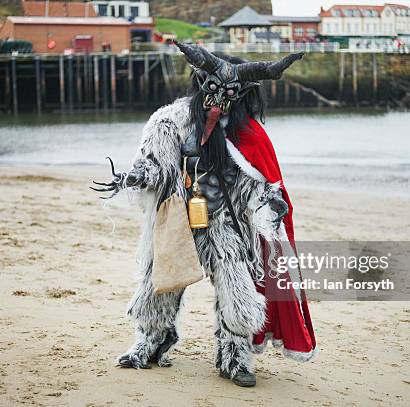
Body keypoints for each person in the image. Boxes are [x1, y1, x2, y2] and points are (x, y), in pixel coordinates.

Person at [92, 42, 318, 387]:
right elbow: (156, 165)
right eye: (213, 89)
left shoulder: (244, 133)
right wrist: (133, 177)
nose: (219, 100)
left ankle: (234, 356)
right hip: (178, 219)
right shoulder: (170, 121)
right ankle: (151, 341)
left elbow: (252, 181)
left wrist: (269, 200)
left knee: (236, 286)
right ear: (201, 83)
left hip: (222, 221)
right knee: (161, 283)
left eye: (230, 93)